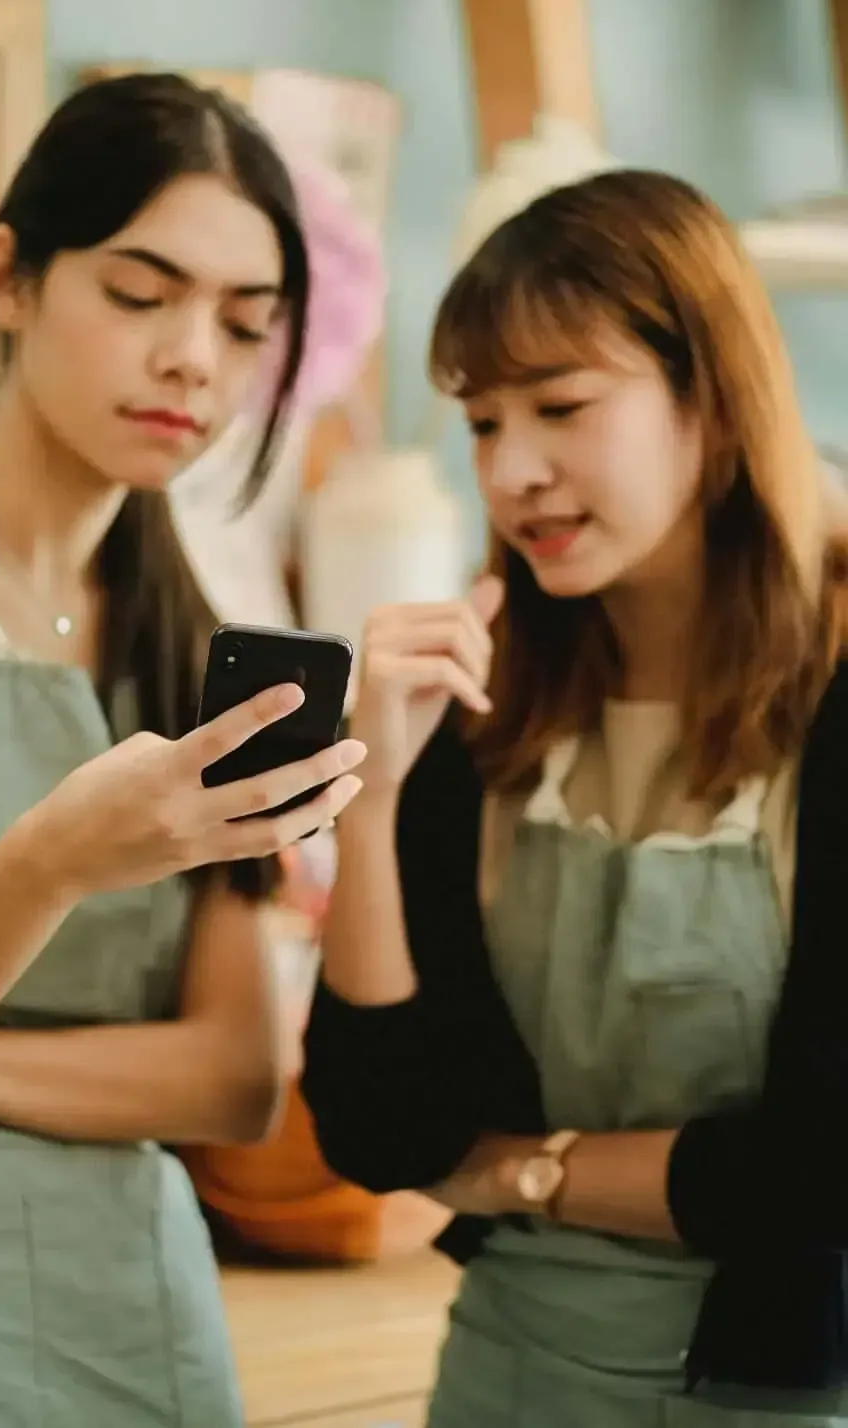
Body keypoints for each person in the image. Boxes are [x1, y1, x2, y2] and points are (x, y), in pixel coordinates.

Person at [0, 71, 367, 1427]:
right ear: (9, 276)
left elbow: (237, 1080)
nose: (195, 356)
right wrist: (50, 864)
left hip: (147, 1326)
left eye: (247, 325)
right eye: (142, 295)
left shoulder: (192, 635)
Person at [301, 168, 848, 1426]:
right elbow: (380, 1132)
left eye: (559, 406)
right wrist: (369, 801)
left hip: (764, 1391)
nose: (510, 471)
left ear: (708, 402)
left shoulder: (830, 704)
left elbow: (822, 1170)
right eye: (483, 422)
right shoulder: (487, 703)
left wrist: (526, 1172)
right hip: (499, 1375)